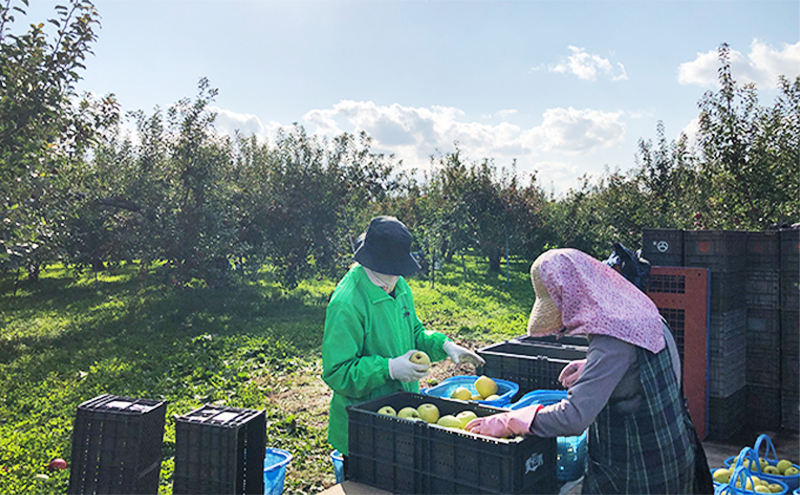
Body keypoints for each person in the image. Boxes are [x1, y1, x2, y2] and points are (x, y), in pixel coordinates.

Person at [465, 248, 697, 494]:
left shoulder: (611, 336)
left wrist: (510, 421)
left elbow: (574, 417)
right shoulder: (639, 312)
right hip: (674, 449)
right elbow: (649, 364)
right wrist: (595, 368)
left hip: (640, 468)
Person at [322, 215, 485, 459]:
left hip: (402, 412)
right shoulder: (347, 303)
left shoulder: (397, 284)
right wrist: (388, 368)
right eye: (392, 271)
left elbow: (415, 332)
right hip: (363, 426)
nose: (397, 277)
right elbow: (338, 373)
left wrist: (444, 345)